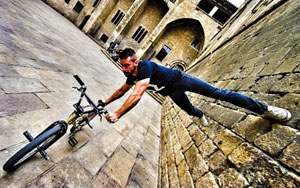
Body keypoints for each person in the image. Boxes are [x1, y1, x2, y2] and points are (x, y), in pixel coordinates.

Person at [103, 48, 292, 125]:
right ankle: (199, 114)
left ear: (135, 62)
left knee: (221, 94)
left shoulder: (145, 67)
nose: (124, 68)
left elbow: (137, 94)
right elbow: (122, 91)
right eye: (122, 65)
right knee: (190, 110)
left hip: (182, 79)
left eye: (126, 65)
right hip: (172, 91)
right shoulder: (131, 75)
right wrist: (105, 101)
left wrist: (118, 113)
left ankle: (265, 109)